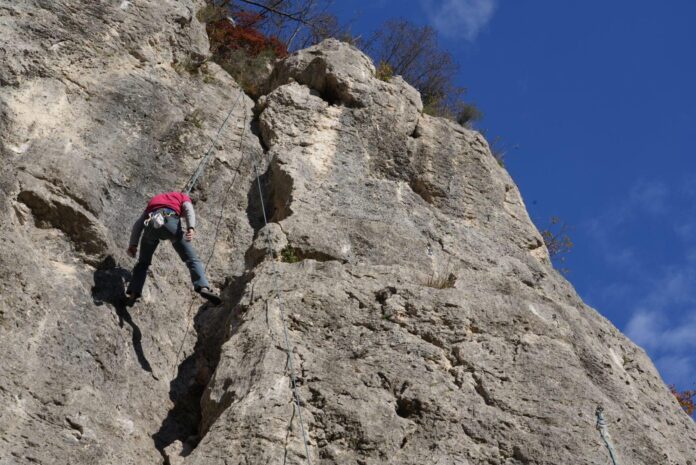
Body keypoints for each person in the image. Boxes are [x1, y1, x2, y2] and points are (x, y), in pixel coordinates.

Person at [126, 191, 221, 305]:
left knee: (143, 263)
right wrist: (191, 227)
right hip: (170, 223)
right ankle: (203, 287)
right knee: (192, 259)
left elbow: (139, 223)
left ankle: (133, 294)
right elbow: (188, 209)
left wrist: (133, 244)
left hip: (151, 225)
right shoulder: (183, 197)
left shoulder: (155, 200)